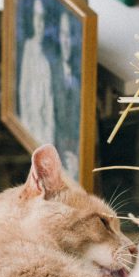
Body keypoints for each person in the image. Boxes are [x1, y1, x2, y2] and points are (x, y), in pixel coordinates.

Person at [17, 0, 54, 145]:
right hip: (32, 122)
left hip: (46, 129)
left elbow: (50, 98)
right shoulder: (29, 47)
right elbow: (24, 88)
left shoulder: (50, 53)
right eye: (36, 18)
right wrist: (27, 123)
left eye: (43, 19)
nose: (40, 24)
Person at [52, 10, 81, 179]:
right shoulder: (53, 74)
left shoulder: (79, 73)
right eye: (62, 34)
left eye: (70, 34)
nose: (66, 40)